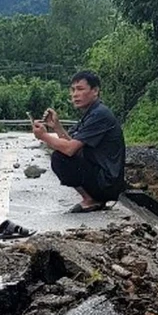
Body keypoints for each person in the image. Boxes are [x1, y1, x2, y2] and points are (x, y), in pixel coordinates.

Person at [32, 70, 126, 213]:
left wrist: (44, 136)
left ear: (95, 91)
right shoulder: (91, 113)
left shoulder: (99, 114)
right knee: (62, 154)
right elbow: (73, 144)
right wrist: (56, 127)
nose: (75, 94)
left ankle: (91, 199)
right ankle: (92, 197)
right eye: (73, 90)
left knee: (60, 158)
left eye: (80, 89)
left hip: (107, 183)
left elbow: (70, 149)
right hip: (102, 177)